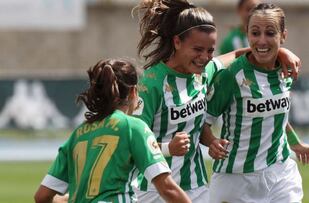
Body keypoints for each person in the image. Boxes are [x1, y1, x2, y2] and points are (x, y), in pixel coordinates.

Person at [132, 1, 302, 202]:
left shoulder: (205, 72)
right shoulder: (152, 83)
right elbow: (134, 143)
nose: (204, 58)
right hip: (153, 191)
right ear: (177, 42)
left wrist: (282, 51)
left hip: (196, 188)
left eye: (210, 51)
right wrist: (170, 148)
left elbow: (243, 54)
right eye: (198, 49)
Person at [203, 3, 309, 203]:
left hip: (280, 173)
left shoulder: (286, 70)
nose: (262, 40)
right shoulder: (232, 75)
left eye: (270, 33)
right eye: (255, 33)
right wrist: (212, 142)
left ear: (283, 35)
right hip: (235, 178)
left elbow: (276, 116)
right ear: (247, 34)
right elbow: (204, 121)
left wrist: (295, 143)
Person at [34, 59, 191, 203]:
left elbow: (42, 197)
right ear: (133, 92)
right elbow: (167, 188)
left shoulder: (78, 133)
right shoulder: (133, 127)